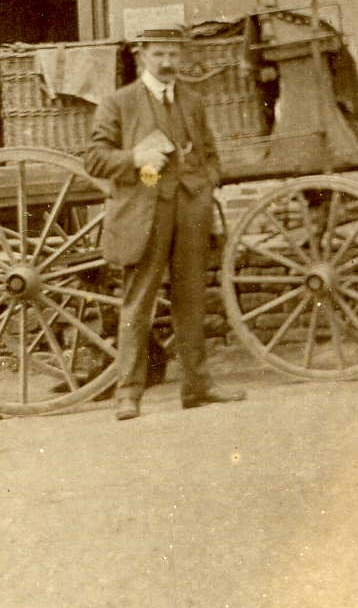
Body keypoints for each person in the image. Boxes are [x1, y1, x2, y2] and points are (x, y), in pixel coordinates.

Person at [83, 23, 246, 420]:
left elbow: (209, 152)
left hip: (190, 209)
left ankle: (198, 387)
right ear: (142, 55)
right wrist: (135, 159)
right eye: (159, 54)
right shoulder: (118, 103)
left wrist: (207, 185)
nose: (168, 62)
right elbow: (94, 158)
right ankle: (128, 393)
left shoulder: (192, 100)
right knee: (138, 303)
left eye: (174, 54)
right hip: (145, 212)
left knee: (192, 299)